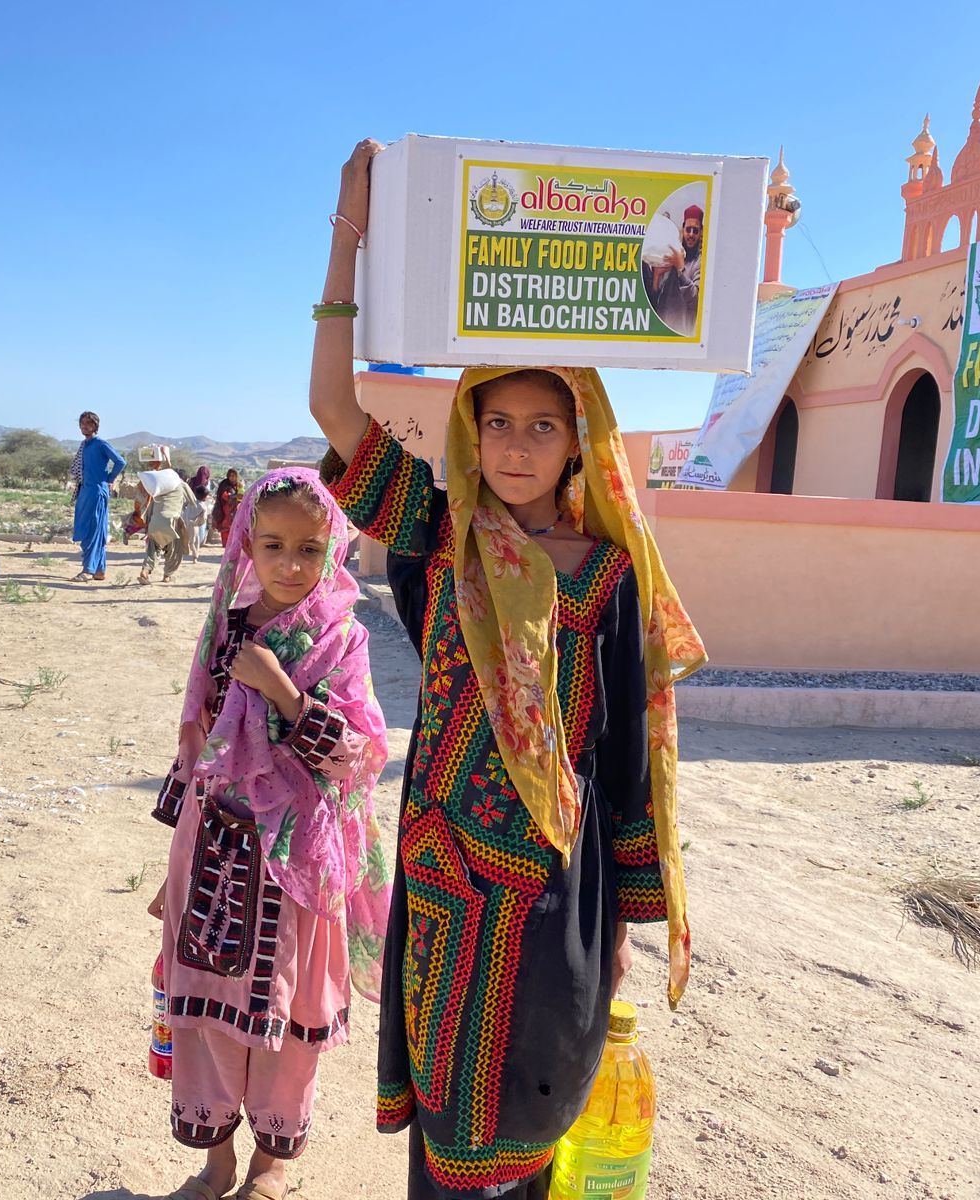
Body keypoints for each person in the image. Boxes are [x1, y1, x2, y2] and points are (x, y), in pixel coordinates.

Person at [308, 140, 707, 1200]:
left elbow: (620, 757)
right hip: (446, 875)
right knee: (447, 1146)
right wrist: (347, 230)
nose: (518, 444)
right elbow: (335, 412)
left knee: (534, 1125)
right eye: (497, 424)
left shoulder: (609, 576)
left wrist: (624, 924)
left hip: (553, 892)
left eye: (543, 425)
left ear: (580, 444)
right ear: (470, 437)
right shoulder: (437, 539)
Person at [146, 467, 391, 1200]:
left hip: (298, 864)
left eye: (310, 549)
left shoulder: (344, 637)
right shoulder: (225, 626)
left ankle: (271, 1166)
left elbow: (359, 756)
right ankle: (217, 1163)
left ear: (334, 549)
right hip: (214, 848)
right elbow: (199, 742)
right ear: (246, 542)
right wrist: (172, 863)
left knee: (290, 1017)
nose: (290, 564)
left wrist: (280, 689)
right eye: (274, 544)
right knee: (207, 1017)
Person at [69, 411, 125, 581]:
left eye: (89, 423)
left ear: (95, 426)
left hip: (97, 491)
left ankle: (88, 570)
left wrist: (109, 479)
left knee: (93, 530)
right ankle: (99, 570)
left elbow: (120, 462)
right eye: (82, 423)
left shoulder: (101, 444)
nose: (85, 426)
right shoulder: (84, 445)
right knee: (93, 530)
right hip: (85, 490)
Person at [642, 204, 704, 336]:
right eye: (688, 230)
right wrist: (657, 277)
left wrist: (680, 268)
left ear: (701, 232)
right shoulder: (668, 256)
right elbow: (653, 301)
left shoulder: (700, 263)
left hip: (681, 334)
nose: (691, 234)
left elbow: (696, 301)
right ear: (683, 229)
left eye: (695, 230)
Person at [138, 449, 197, 584]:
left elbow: (151, 508)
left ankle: (145, 570)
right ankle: (167, 575)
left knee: (154, 548)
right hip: (172, 521)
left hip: (156, 522)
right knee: (174, 550)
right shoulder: (182, 485)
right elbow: (193, 500)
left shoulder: (160, 489)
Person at [209, 468, 242, 547]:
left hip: (236, 509)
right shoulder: (225, 484)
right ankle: (225, 545)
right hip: (226, 509)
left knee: (234, 527)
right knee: (226, 526)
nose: (231, 477)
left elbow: (242, 494)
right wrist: (234, 496)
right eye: (230, 476)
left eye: (233, 476)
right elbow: (224, 496)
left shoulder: (239, 485)